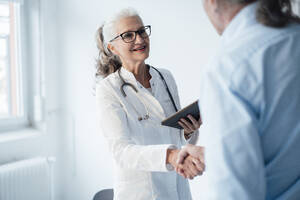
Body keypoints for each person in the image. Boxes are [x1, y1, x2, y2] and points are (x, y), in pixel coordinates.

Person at [177, 0, 300, 199]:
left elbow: (236, 193)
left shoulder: (228, 69)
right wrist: (217, 156)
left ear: (212, 2)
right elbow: (286, 145)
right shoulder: (294, 35)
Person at [95, 8, 204, 200]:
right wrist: (171, 156)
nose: (139, 39)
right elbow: (121, 152)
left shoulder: (165, 77)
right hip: (142, 193)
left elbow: (175, 136)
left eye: (142, 31)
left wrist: (188, 132)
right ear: (113, 48)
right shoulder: (108, 89)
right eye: (128, 35)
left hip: (178, 187)